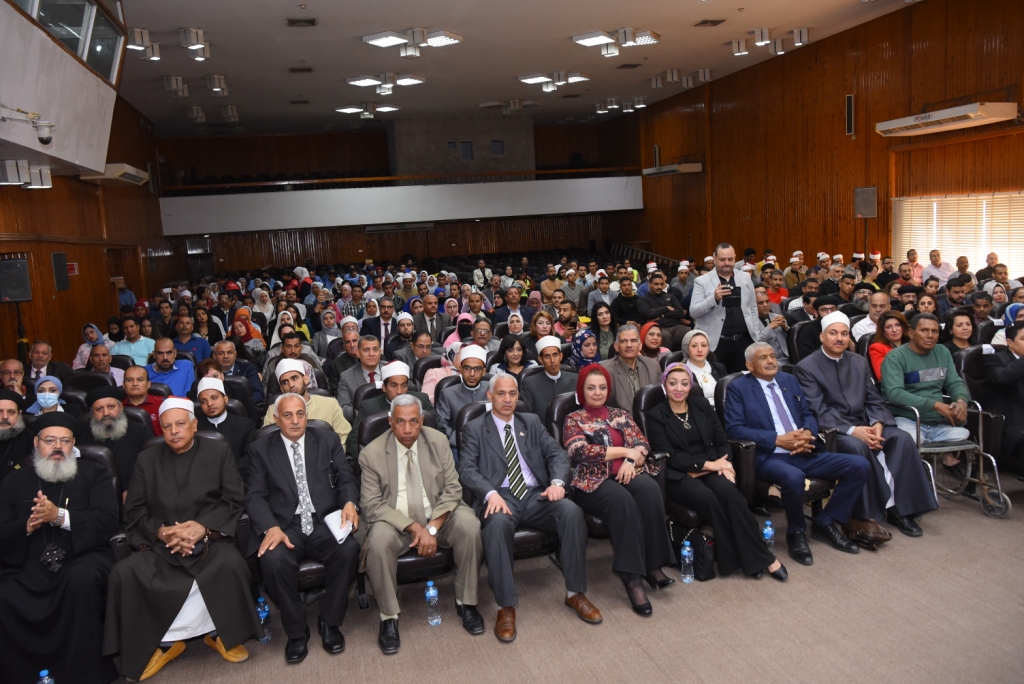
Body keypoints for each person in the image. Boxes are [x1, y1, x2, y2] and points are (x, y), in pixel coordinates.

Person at [103, 398, 261, 681]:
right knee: (123, 573)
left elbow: (233, 498)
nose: (174, 431)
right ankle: (163, 643)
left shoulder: (218, 450)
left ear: (194, 424)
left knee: (231, 564)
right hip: (162, 544)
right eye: (167, 427)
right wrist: (162, 531)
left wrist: (202, 527)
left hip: (209, 541)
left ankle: (220, 634)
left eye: (180, 424)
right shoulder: (147, 459)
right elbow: (133, 511)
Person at [458, 374, 600, 642]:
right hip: (500, 496)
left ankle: (575, 593)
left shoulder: (531, 422)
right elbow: (466, 469)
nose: (507, 399)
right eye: (501, 394)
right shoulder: (475, 428)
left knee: (571, 512)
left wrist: (557, 482)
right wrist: (490, 494)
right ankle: (505, 605)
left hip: (535, 494)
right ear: (490, 396)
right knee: (497, 524)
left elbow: (557, 454)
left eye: (512, 394)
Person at [724, 342, 870, 565]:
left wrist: (807, 433)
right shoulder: (739, 388)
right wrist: (777, 439)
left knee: (859, 466)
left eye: (772, 356)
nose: (771, 361)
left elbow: (808, 413)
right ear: (750, 365)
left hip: (804, 450)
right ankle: (796, 531)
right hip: (770, 455)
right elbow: (734, 429)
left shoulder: (788, 380)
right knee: (794, 477)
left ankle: (826, 521)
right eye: (763, 358)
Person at [0, 411, 120, 684]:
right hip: (27, 562)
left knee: (80, 581)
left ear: (73, 443)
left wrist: (59, 517)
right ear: (36, 443)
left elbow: (108, 521)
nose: (57, 447)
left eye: (65, 441)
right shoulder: (13, 481)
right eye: (50, 440)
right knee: (5, 594)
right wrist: (26, 526)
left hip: (83, 556)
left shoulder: (94, 473)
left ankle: (85, 675)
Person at [360, 393, 485, 653]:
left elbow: (453, 489)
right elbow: (371, 505)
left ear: (422, 421)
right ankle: (389, 617)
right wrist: (415, 528)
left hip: (439, 514)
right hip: (396, 522)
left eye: (413, 421)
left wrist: (432, 527)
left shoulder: (438, 441)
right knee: (378, 540)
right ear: (390, 421)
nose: (407, 429)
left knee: (470, 526)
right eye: (400, 422)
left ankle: (467, 603)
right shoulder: (371, 454)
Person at [796, 312, 938, 537]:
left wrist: (878, 422)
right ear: (822, 336)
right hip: (833, 431)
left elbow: (873, 398)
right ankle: (867, 513)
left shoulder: (858, 361)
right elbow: (817, 410)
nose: (839, 338)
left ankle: (903, 509)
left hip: (866, 423)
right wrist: (853, 431)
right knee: (857, 447)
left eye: (844, 334)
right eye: (833, 333)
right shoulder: (806, 366)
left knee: (901, 438)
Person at [245, 393, 360, 663]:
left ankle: (330, 622)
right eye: (288, 415)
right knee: (273, 561)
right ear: (276, 419)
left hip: (323, 520)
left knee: (348, 550)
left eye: (300, 414)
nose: (295, 421)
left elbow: (346, 476)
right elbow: (254, 496)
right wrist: (270, 527)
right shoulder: (260, 449)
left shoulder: (327, 440)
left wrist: (349, 502)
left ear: (307, 416)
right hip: (285, 524)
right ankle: (296, 632)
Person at [646, 364, 786, 580]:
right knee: (708, 498)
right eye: (673, 383)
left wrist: (726, 464)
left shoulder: (701, 405)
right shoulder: (656, 415)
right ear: (665, 385)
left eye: (684, 383)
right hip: (678, 474)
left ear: (691, 386)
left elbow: (721, 439)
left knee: (730, 494)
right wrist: (710, 465)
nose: (679, 388)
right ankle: (753, 558)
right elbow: (671, 456)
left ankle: (750, 557)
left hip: (713, 465)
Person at [563, 364, 675, 614]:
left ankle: (653, 565)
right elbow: (580, 451)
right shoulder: (574, 419)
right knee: (623, 502)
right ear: (582, 391)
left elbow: (642, 444)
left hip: (627, 472)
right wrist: (626, 452)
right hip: (592, 481)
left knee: (649, 491)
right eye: (591, 388)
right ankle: (632, 578)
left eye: (602, 387)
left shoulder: (620, 414)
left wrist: (630, 461)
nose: (597, 392)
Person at [881, 313, 972, 444]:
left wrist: (961, 401)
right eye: (924, 330)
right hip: (907, 419)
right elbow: (895, 394)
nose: (930, 335)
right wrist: (936, 405)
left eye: (934, 331)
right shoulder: (895, 357)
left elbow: (955, 382)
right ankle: (932, 451)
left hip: (937, 422)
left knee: (963, 434)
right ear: (911, 333)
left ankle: (932, 448)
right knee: (913, 438)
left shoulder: (942, 351)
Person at [690, 243, 762, 373]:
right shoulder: (701, 281)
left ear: (735, 257)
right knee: (718, 381)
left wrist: (755, 334)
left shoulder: (745, 277)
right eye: (722, 259)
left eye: (730, 259)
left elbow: (753, 308)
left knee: (742, 380)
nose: (727, 263)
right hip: (717, 343)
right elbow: (694, 312)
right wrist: (714, 299)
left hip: (744, 341)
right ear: (715, 258)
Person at [346, 361, 435, 457]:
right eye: (394, 385)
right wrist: (373, 459)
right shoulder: (368, 407)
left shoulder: (421, 400)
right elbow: (353, 442)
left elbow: (438, 431)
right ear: (384, 387)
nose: (399, 391)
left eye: (403, 386)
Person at [77, 385, 150, 495]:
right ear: (92, 413)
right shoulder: (82, 434)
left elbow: (151, 466)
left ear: (120, 407)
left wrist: (134, 489)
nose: (106, 413)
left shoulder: (140, 431)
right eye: (99, 409)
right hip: (91, 494)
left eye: (111, 407)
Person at [265, 359, 351, 441]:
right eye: (285, 382)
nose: (291, 385)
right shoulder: (273, 410)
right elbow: (266, 441)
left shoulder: (330, 404)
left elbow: (344, 435)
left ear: (305, 379)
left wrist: (334, 451)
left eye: (294, 378)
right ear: (281, 388)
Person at [195, 377, 256, 477]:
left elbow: (250, 457)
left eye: (214, 398)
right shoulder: (195, 429)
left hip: (237, 477)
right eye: (203, 401)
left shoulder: (246, 425)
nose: (209, 404)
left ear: (225, 399)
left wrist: (226, 471)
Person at [435, 345, 489, 453]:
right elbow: (442, 426)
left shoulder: (492, 390)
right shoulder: (447, 393)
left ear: (484, 371)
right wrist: (461, 439)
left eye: (477, 369)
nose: (472, 374)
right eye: (467, 368)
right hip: (458, 446)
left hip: (488, 443)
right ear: (460, 369)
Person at [600, 325, 662, 417]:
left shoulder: (653, 366)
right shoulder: (606, 371)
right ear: (616, 346)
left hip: (651, 421)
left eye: (633, 340)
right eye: (623, 341)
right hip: (620, 422)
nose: (629, 345)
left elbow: (660, 401)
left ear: (640, 345)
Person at [520, 336, 578, 417]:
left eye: (555, 355)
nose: (552, 360)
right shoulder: (529, 384)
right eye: (547, 356)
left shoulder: (576, 379)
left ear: (561, 356)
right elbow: (527, 417)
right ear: (540, 360)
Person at [336, 335, 385, 423]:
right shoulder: (346, 376)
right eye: (366, 350)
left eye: (375, 350)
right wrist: (366, 415)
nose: (371, 354)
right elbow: (344, 408)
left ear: (380, 352)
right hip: (360, 423)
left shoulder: (393, 370)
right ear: (358, 353)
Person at [681, 329, 727, 406]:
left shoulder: (719, 367)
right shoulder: (681, 372)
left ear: (708, 349)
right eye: (694, 346)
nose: (700, 350)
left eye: (704, 345)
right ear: (687, 349)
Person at [122, 365, 164, 436]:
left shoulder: (162, 404)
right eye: (129, 380)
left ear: (148, 384)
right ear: (123, 385)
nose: (135, 384)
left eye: (140, 380)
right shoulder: (117, 407)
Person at [868, 311, 910, 381]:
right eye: (889, 327)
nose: (894, 330)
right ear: (883, 331)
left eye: (898, 325)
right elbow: (883, 376)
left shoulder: (913, 344)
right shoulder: (877, 348)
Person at [754, 290, 790, 363]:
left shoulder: (778, 317)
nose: (765, 305)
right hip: (767, 360)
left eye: (767, 301)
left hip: (786, 357)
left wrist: (785, 328)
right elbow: (757, 343)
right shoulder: (752, 323)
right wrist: (770, 327)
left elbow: (791, 339)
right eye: (761, 303)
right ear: (754, 305)